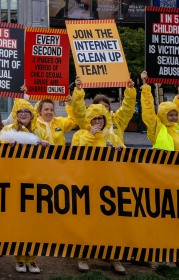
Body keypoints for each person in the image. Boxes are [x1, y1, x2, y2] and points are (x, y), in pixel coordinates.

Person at [70, 104, 125, 274]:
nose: (97, 121)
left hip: (108, 187)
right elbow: (75, 156)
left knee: (110, 223)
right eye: (94, 118)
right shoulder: (79, 135)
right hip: (86, 185)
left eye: (100, 118)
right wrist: (89, 135)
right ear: (88, 119)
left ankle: (114, 258)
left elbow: (126, 158)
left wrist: (120, 151)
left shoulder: (113, 136)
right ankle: (83, 256)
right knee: (85, 222)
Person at [0, 99, 47, 274]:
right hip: (14, 183)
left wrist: (45, 145)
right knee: (18, 221)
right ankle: (19, 258)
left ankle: (32, 259)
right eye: (20, 111)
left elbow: (54, 151)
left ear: (32, 113)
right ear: (15, 114)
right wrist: (6, 145)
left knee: (34, 222)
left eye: (27, 111)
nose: (23, 114)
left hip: (35, 182)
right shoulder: (7, 130)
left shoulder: (40, 130)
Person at [140, 72, 179, 152]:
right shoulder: (157, 129)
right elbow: (148, 110)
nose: (174, 117)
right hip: (164, 165)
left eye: (175, 115)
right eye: (171, 115)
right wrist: (145, 84)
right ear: (163, 115)